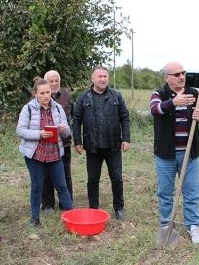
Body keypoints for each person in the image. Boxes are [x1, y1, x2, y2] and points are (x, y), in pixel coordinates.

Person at [150, 62, 199, 244]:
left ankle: (193, 226)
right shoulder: (159, 94)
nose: (181, 76)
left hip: (190, 154)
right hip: (166, 155)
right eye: (176, 74)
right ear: (166, 77)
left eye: (183, 73)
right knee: (165, 192)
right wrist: (173, 103)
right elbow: (155, 109)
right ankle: (167, 225)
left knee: (191, 192)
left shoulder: (194, 94)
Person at [72, 66, 131, 220]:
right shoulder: (83, 97)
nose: (103, 79)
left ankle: (119, 208)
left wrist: (126, 138)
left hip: (113, 146)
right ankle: (93, 209)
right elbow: (76, 120)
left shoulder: (116, 96)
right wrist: (77, 141)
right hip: (92, 147)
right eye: (99, 76)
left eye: (105, 76)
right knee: (92, 179)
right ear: (92, 79)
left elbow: (124, 117)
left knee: (117, 178)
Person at [17, 77, 74, 226]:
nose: (46, 96)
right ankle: (34, 218)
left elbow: (67, 132)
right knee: (37, 185)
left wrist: (64, 129)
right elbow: (20, 130)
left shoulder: (58, 108)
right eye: (42, 93)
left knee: (62, 185)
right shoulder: (28, 108)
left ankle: (72, 216)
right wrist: (39, 134)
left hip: (54, 153)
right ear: (35, 94)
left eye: (48, 92)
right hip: (35, 154)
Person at [41, 70, 74, 211]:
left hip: (64, 143)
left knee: (66, 174)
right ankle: (48, 204)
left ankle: (67, 203)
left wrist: (68, 130)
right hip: (45, 144)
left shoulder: (67, 95)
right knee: (46, 176)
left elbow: (73, 117)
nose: (54, 84)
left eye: (57, 81)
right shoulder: (38, 96)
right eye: (51, 81)